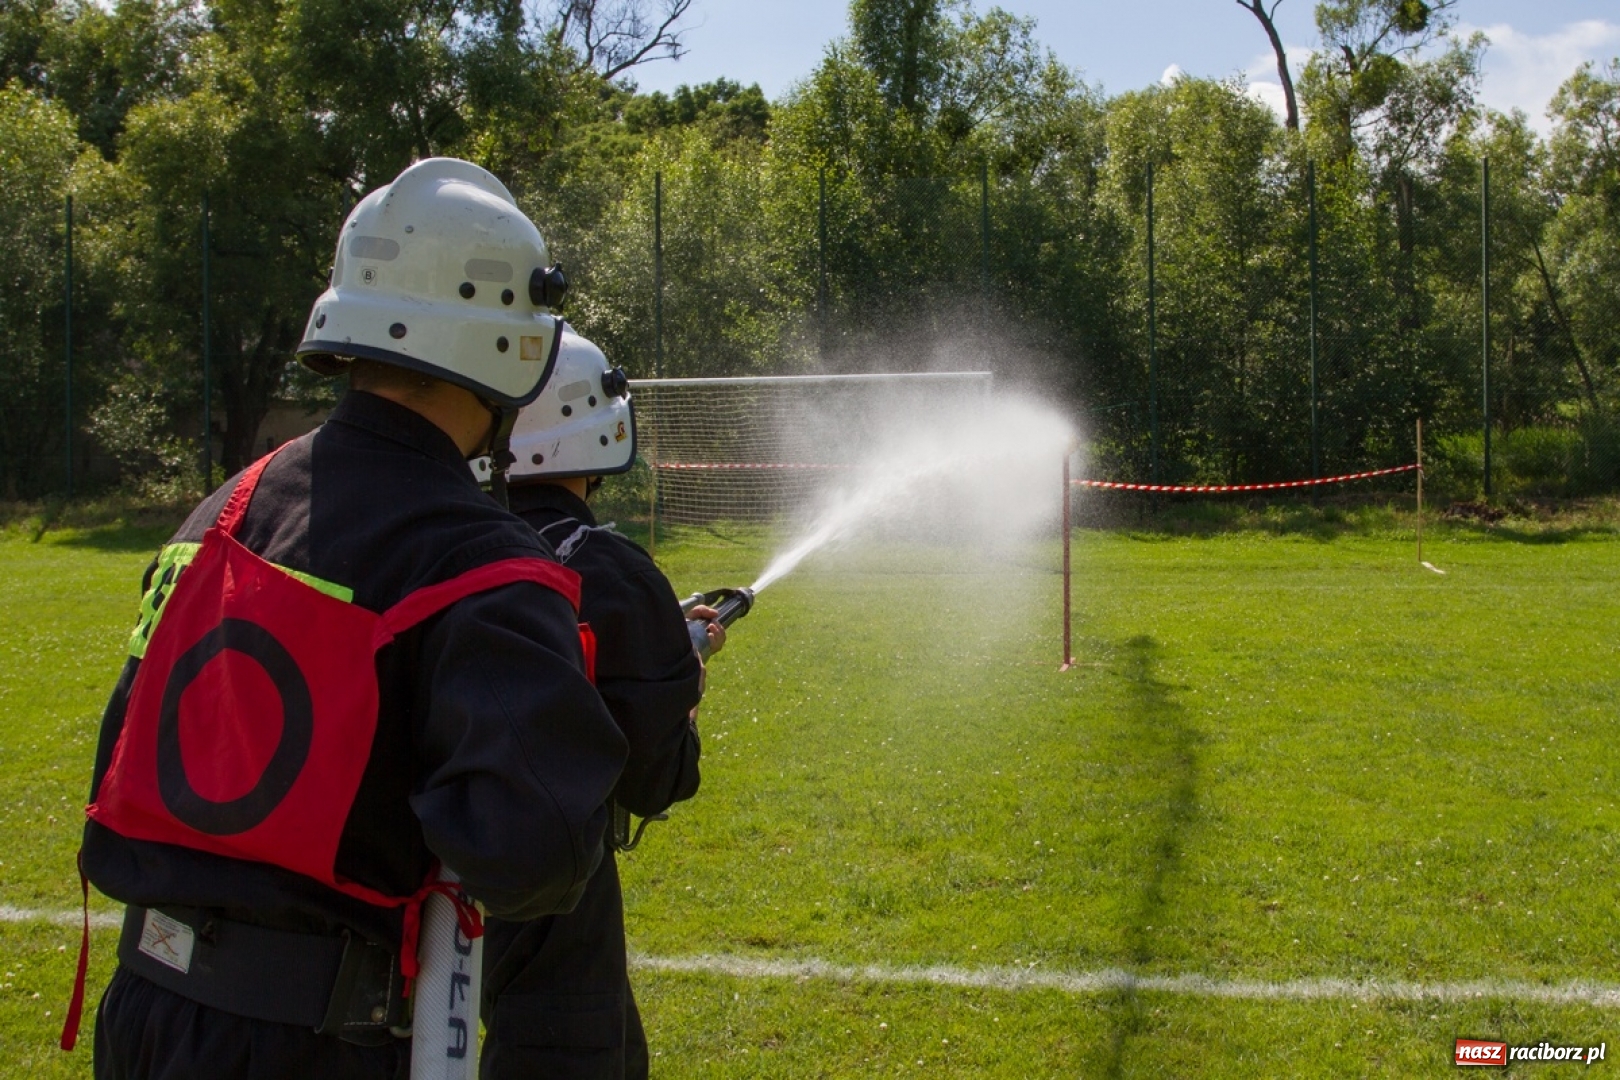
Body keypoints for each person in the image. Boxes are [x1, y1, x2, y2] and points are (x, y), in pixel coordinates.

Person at [71, 158, 627, 1079]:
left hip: (145, 1015)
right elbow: (537, 855)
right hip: (310, 1042)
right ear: (510, 347)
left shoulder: (228, 505)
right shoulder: (481, 561)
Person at [477, 329, 718, 1080]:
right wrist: (684, 683)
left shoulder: (461, 536)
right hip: (556, 894)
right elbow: (657, 780)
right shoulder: (612, 569)